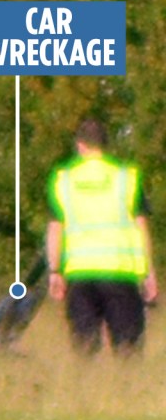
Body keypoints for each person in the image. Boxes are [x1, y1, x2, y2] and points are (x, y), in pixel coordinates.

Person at [46, 119, 157, 356]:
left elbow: (56, 229)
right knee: (128, 350)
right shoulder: (127, 178)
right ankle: (126, 392)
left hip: (79, 274)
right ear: (105, 145)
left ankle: (87, 392)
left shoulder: (64, 180)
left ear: (80, 145)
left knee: (84, 350)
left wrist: (55, 271)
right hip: (120, 272)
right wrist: (149, 273)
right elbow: (141, 227)